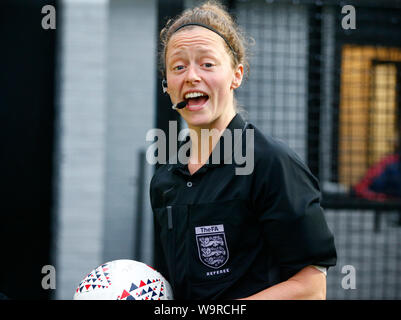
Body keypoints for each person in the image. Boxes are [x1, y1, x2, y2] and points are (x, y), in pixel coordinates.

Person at [150, 0, 336, 300]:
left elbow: (312, 288)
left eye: (207, 64)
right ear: (167, 84)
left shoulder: (271, 162)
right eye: (178, 66)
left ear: (236, 75)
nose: (191, 76)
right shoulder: (165, 180)